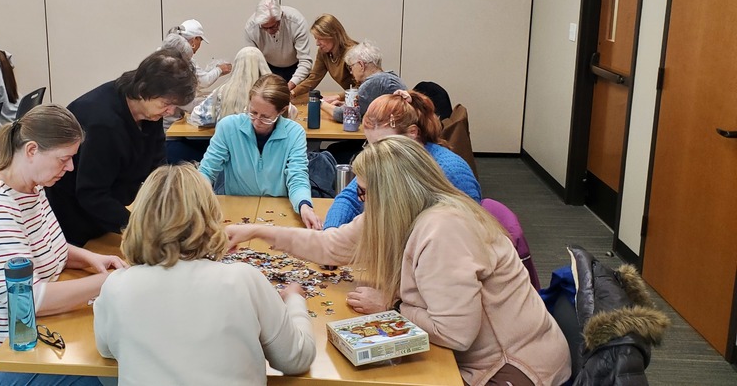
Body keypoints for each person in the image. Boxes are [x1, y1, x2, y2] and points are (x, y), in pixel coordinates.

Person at [226, 136, 571, 386]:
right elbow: (329, 246)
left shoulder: (444, 229)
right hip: (473, 360)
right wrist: (260, 231)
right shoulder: (394, 214)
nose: (359, 199)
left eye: (362, 191)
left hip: (512, 368)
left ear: (391, 193)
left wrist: (390, 306)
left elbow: (456, 333)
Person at [0, 104, 125, 386]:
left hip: (9, 342)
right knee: (100, 376)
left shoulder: (31, 187)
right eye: (64, 158)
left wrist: (91, 259)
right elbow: (27, 301)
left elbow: (45, 246)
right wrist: (112, 282)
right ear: (32, 150)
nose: (70, 167)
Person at [93, 164, 315, 385]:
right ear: (210, 217)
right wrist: (294, 299)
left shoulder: (116, 286)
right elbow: (296, 359)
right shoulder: (242, 279)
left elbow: (107, 350)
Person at [44, 49, 197, 246]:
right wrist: (140, 228)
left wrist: (171, 204)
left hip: (104, 213)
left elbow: (157, 166)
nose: (170, 112)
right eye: (167, 104)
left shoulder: (150, 111)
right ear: (144, 90)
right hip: (73, 221)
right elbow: (92, 194)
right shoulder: (103, 123)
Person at [325, 90, 481, 229]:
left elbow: (472, 232)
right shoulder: (382, 159)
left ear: (412, 133)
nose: (377, 153)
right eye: (371, 145)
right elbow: (350, 198)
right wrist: (331, 232)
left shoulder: (452, 171)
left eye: (385, 144)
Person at [198, 74, 321, 229]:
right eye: (253, 112)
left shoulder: (294, 133)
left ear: (281, 111)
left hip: (278, 210)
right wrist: (199, 199)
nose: (257, 121)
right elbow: (207, 171)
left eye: (265, 117)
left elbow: (297, 176)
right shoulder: (228, 127)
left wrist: (304, 205)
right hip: (235, 211)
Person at [166, 46, 273, 164]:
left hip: (228, 158)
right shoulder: (274, 93)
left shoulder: (223, 92)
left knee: (173, 147)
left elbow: (197, 117)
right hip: (266, 157)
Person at [320, 40, 406, 123]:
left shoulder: (372, 83)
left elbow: (345, 116)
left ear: (361, 65)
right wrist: (344, 105)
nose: (350, 71)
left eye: (351, 67)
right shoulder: (389, 77)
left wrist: (320, 103)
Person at [242, 0, 313, 90]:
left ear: (281, 16)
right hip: (267, 68)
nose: (269, 31)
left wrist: (288, 87)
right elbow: (251, 63)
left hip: (296, 67)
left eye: (273, 26)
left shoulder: (297, 22)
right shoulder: (251, 28)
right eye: (265, 27)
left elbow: (305, 62)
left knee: (299, 102)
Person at [291, 14, 358, 97]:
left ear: (333, 35)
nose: (317, 43)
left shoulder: (354, 53)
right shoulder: (323, 52)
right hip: (352, 98)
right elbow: (313, 78)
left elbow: (363, 86)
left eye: (320, 39)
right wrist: (292, 93)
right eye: (316, 39)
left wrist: (338, 97)